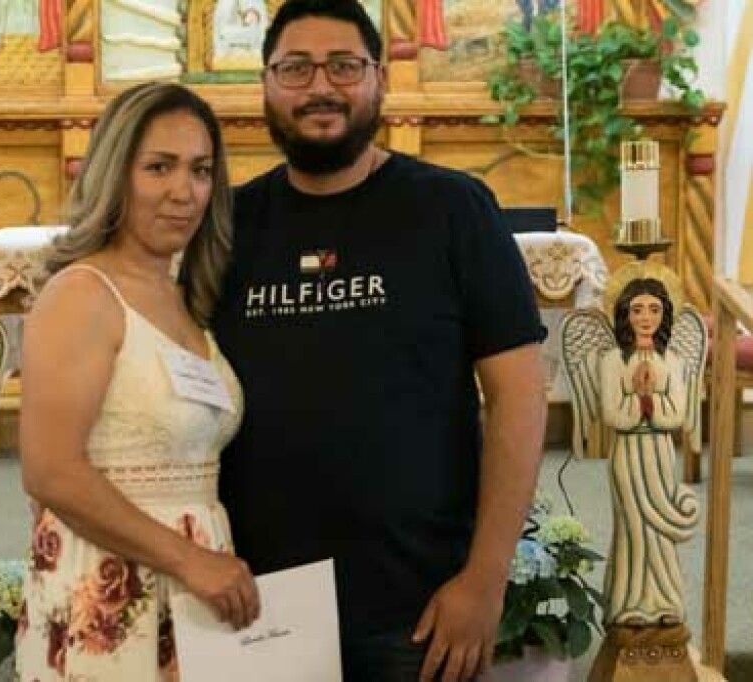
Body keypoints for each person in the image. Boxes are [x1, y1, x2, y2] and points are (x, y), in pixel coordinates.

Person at [210, 1, 548, 680]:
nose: (320, 87)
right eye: (296, 68)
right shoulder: (229, 225)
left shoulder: (453, 209)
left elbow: (519, 397)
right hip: (257, 602)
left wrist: (485, 578)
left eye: (344, 66)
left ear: (381, 80)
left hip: (416, 601)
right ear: (266, 86)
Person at [17, 82, 259, 681]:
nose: (185, 192)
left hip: (197, 588)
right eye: (159, 167)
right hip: (110, 584)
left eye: (201, 170)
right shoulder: (82, 294)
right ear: (114, 175)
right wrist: (190, 560)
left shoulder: (187, 298)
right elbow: (50, 471)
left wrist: (204, 564)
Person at [600, 277, 698, 626]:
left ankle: (666, 601)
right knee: (632, 526)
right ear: (624, 313)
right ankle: (628, 604)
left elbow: (678, 414)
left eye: (654, 309)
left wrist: (647, 399)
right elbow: (611, 413)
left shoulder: (672, 361)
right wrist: (641, 399)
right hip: (626, 453)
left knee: (658, 533)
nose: (645, 317)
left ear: (665, 314)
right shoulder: (612, 360)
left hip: (659, 453)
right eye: (637, 309)